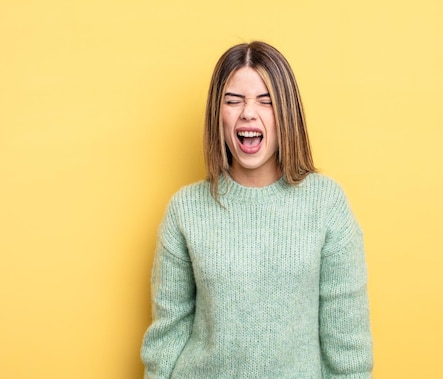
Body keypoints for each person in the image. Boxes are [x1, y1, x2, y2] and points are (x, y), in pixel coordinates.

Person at [141, 41, 373, 378]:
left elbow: (348, 346)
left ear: (287, 114)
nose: (248, 112)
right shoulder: (185, 210)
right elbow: (167, 339)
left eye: (266, 101)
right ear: (216, 114)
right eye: (233, 100)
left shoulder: (326, 205)